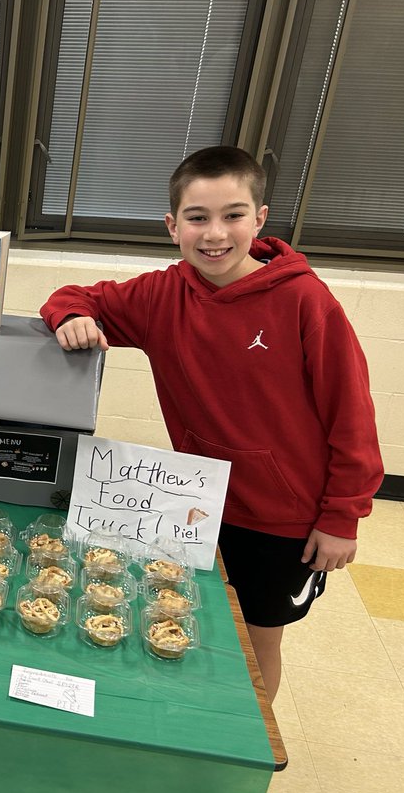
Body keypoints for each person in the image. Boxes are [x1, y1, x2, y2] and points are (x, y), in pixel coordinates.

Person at [39, 145, 382, 700]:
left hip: (283, 519)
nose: (215, 233)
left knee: (256, 639)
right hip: (195, 504)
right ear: (173, 226)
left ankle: (247, 748)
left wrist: (342, 516)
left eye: (233, 215)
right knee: (186, 619)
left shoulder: (305, 302)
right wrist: (72, 317)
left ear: (260, 219)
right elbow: (74, 296)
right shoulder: (161, 295)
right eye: (198, 218)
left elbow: (353, 417)